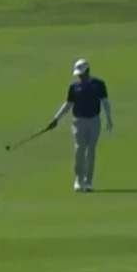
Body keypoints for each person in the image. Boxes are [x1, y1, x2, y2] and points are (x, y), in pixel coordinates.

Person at [48, 58, 113, 192]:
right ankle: (78, 180)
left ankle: (88, 182)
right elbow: (68, 104)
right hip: (78, 122)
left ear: (87, 71)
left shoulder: (99, 84)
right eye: (78, 75)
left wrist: (109, 119)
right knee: (79, 150)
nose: (79, 77)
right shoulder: (74, 87)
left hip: (94, 121)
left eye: (81, 74)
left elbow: (105, 102)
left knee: (91, 151)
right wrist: (56, 118)